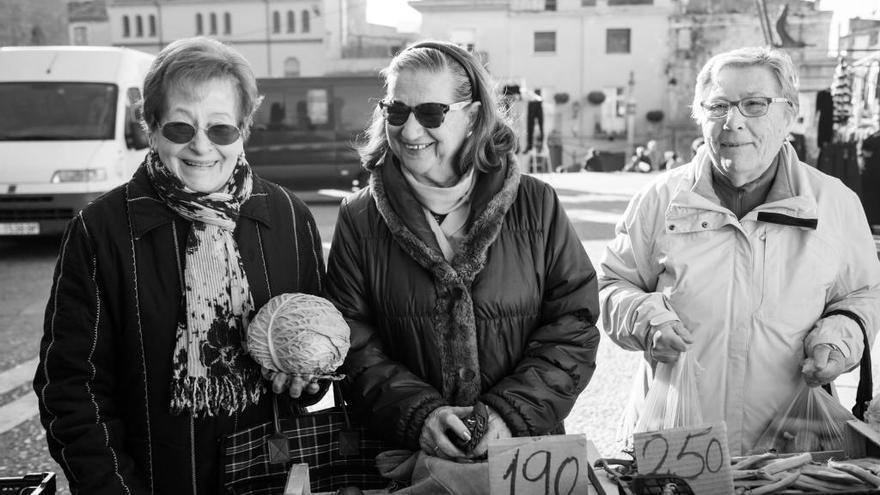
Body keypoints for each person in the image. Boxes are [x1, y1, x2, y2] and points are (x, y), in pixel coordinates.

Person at [33, 37, 326, 494]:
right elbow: (72, 387)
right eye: (180, 129)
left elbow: (317, 363)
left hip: (274, 479)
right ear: (151, 127)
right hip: (156, 479)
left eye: (221, 129)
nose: (202, 147)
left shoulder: (288, 217)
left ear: (244, 130)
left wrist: (306, 380)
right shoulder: (102, 230)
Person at [326, 40, 600, 466]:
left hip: (522, 458)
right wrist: (420, 417)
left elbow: (574, 322)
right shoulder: (359, 218)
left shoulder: (536, 203)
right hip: (404, 460)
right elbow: (350, 341)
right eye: (396, 112)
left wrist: (511, 412)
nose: (410, 131)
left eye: (431, 113)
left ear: (472, 116)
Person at [599, 46, 880, 455]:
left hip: (791, 444)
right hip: (675, 444)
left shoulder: (834, 203)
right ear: (701, 116)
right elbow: (612, 284)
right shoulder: (659, 199)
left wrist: (837, 340)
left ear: (789, 114)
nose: (733, 123)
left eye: (754, 105)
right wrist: (648, 321)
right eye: (718, 106)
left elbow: (863, 293)